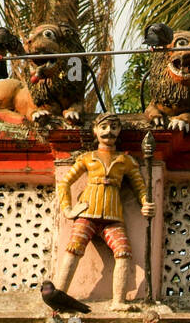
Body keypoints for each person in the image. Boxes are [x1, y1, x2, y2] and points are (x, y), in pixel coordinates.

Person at [53, 113, 155, 310]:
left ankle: (118, 301)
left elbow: (140, 187)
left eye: (114, 127)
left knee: (123, 252)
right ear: (95, 130)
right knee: (73, 249)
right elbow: (65, 183)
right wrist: (67, 209)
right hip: (87, 212)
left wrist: (146, 203)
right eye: (104, 127)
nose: (109, 131)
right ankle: (58, 294)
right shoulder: (88, 158)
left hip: (112, 216)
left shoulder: (125, 161)